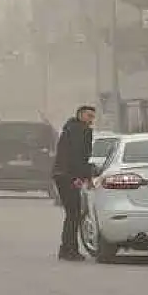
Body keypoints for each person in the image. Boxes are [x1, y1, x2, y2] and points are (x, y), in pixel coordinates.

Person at [52, 105, 96, 261]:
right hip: (68, 175)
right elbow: (78, 156)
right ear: (80, 115)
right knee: (74, 213)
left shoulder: (70, 128)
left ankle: (67, 248)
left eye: (92, 116)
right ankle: (69, 250)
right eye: (88, 115)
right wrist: (79, 177)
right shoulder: (80, 131)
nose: (91, 119)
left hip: (62, 174)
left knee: (72, 213)